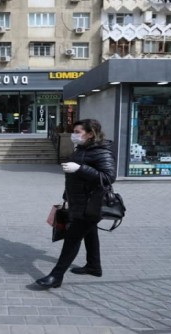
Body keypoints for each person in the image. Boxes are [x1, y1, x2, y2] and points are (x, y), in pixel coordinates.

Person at [35, 119, 116, 289]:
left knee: (72, 238)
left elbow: (108, 177)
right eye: (74, 131)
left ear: (90, 134)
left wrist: (80, 168)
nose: (74, 135)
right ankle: (94, 266)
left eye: (78, 132)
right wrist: (67, 196)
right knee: (90, 233)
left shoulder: (101, 152)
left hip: (92, 203)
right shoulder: (82, 148)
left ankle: (56, 276)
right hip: (79, 201)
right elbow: (76, 178)